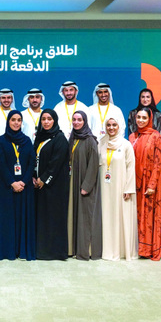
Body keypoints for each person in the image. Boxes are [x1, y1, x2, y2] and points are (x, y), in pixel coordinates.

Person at [0, 111, 36, 260]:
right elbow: (1, 164)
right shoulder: (0, 141)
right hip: (7, 187)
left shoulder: (27, 140)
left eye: (19, 120)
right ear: (8, 122)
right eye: (13, 120)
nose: (16, 123)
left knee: (23, 218)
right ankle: (9, 251)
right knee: (8, 219)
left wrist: (23, 181)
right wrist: (12, 182)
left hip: (25, 187)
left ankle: (23, 250)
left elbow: (32, 162)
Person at [32, 109, 70, 261]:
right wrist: (34, 177)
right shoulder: (40, 137)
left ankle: (55, 252)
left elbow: (56, 162)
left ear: (55, 120)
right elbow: (35, 159)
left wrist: (44, 178)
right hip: (39, 186)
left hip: (54, 186)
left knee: (53, 217)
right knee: (42, 218)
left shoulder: (60, 139)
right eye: (43, 119)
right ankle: (41, 250)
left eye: (49, 119)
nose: (46, 122)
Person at [99, 117, 137, 261]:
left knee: (120, 216)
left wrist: (129, 188)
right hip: (104, 187)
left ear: (119, 126)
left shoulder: (126, 144)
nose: (111, 128)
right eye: (108, 125)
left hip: (121, 188)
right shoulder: (101, 143)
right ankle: (106, 250)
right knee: (106, 216)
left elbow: (131, 167)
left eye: (114, 125)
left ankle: (120, 250)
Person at [130, 108, 161, 260]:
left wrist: (152, 185)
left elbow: (158, 162)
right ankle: (136, 249)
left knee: (149, 217)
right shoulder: (132, 136)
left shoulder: (156, 136)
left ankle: (148, 249)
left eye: (144, 118)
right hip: (134, 183)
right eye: (138, 117)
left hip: (149, 184)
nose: (141, 120)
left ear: (150, 119)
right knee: (136, 216)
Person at [68, 110, 101, 260]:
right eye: (74, 120)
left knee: (84, 218)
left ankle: (84, 251)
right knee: (73, 216)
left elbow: (93, 165)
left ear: (85, 121)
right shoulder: (73, 138)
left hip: (84, 186)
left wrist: (86, 186)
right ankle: (73, 249)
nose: (76, 122)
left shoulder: (90, 140)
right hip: (72, 183)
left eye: (79, 120)